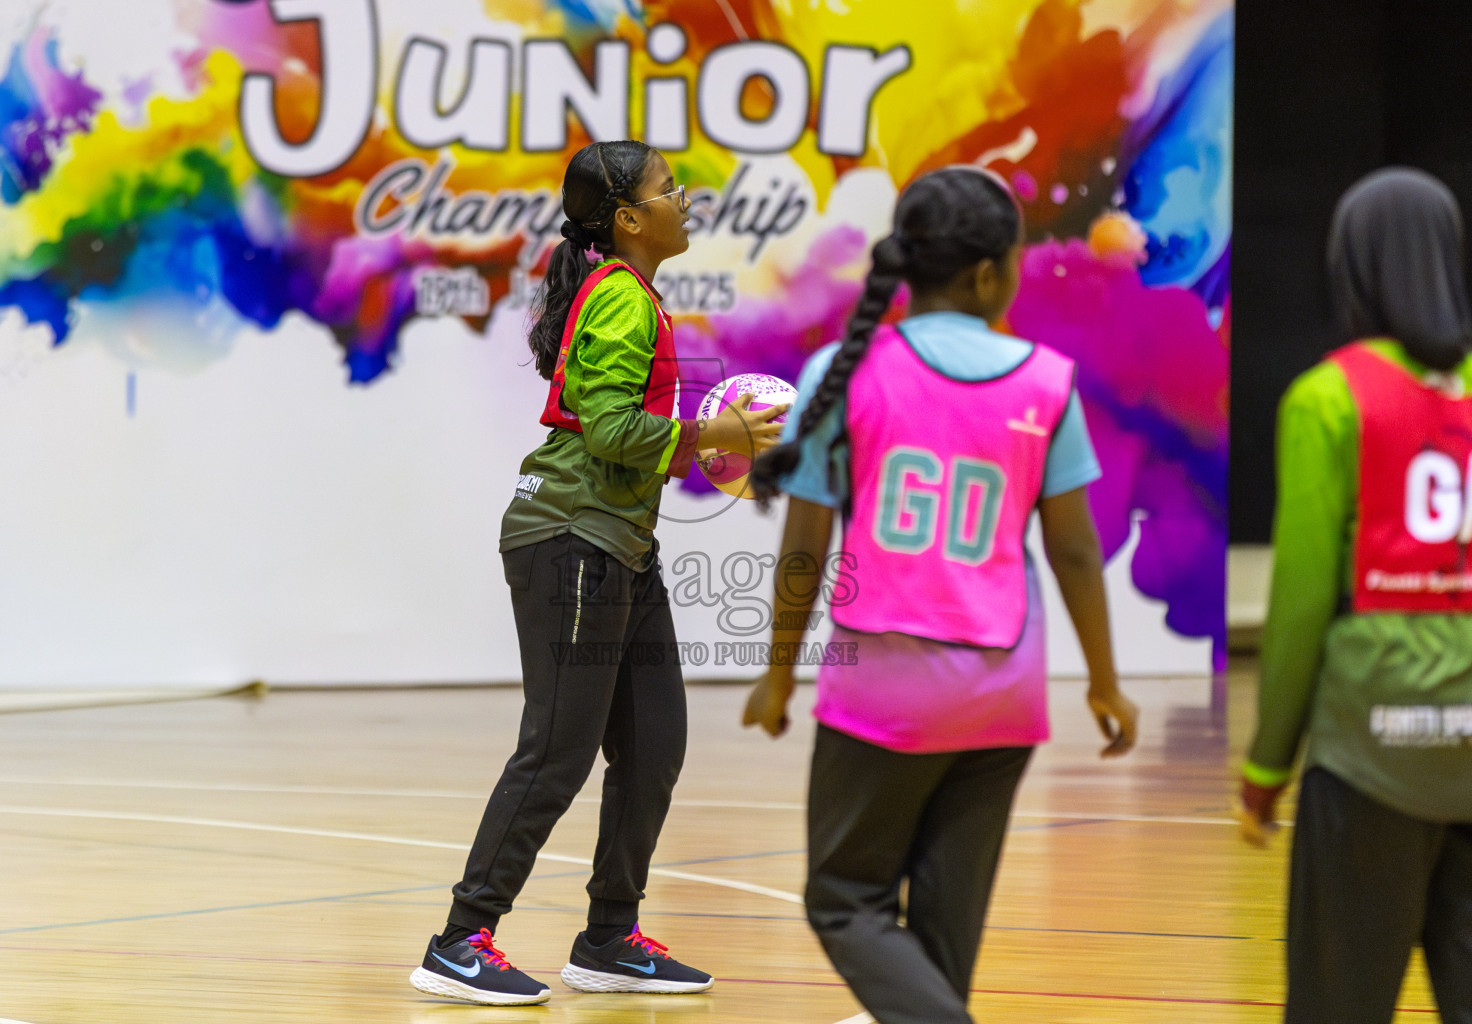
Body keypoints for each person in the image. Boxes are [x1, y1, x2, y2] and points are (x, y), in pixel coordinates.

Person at [741, 165, 1139, 1024]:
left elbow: (804, 547)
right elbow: (1073, 549)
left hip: (882, 694)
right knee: (944, 946)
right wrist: (1105, 681)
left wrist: (777, 676)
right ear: (991, 272)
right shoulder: (1047, 380)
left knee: (845, 899)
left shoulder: (841, 373)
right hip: (1004, 699)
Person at [409, 139, 788, 1006]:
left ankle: (610, 936)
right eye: (666, 188)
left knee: (654, 744)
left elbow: (623, 434)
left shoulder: (630, 295)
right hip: (571, 538)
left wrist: (709, 441)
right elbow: (612, 432)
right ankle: (460, 941)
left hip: (619, 542)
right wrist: (717, 436)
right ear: (626, 218)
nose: (682, 197)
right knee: (556, 751)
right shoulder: (620, 300)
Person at [1238, 167, 1472, 1024]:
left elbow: (1299, 607)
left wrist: (1268, 764)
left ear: (1353, 265)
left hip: (1373, 751)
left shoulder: (1329, 396)